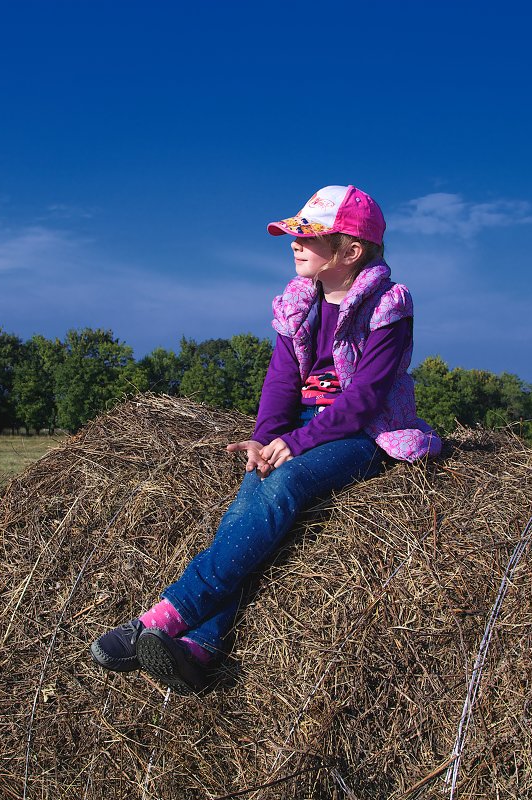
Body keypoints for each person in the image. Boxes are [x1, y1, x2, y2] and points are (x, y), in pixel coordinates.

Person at [90, 185, 441, 694]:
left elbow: (365, 398)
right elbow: (281, 382)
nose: (294, 245)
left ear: (350, 252)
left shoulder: (389, 304)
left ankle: (161, 619)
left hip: (365, 429)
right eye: (293, 236)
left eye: (308, 237)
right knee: (250, 505)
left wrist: (296, 445)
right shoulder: (298, 303)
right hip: (304, 420)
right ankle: (200, 648)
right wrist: (266, 438)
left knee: (287, 481)